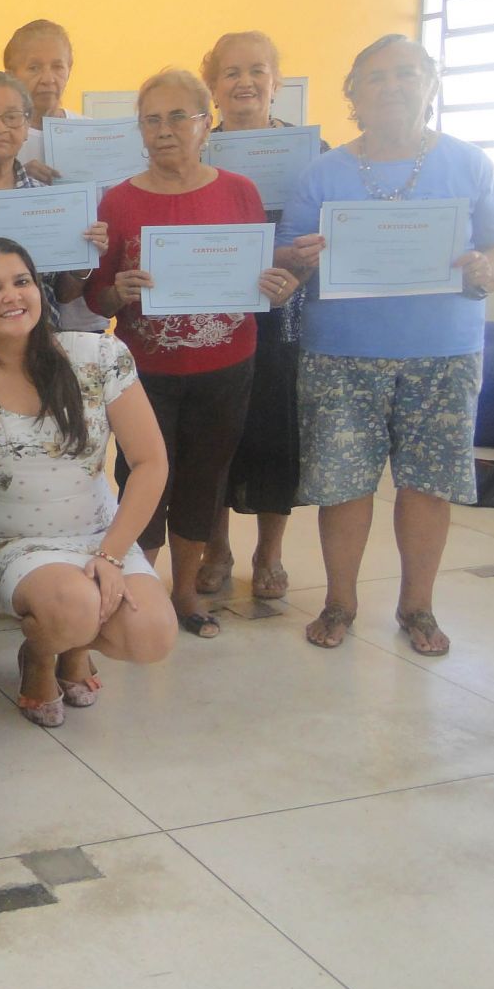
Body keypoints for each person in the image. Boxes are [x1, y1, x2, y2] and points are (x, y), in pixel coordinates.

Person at [278, 35, 494, 656]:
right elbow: (286, 256)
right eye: (376, 77)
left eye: (407, 74)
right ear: (353, 94)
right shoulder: (323, 173)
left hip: (444, 353)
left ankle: (418, 606)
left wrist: (489, 269)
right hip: (340, 354)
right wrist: (300, 258)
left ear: (430, 85)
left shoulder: (470, 163)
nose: (392, 86)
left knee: (428, 484)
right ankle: (339, 602)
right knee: (342, 485)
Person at [0, 239, 176, 726]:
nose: (12, 297)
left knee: (152, 635)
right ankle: (40, 655)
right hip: (5, 539)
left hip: (98, 532)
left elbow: (150, 462)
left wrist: (111, 554)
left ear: (39, 289)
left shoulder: (99, 355)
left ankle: (73, 648)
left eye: (22, 282)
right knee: (76, 606)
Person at [86, 69, 302, 639]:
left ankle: (185, 594)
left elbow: (256, 277)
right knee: (142, 480)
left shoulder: (240, 191)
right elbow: (96, 296)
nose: (164, 130)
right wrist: (118, 292)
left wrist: (277, 287)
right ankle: (138, 592)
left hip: (227, 365)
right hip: (144, 373)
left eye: (178, 117)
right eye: (152, 120)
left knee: (204, 481)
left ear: (206, 124)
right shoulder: (118, 200)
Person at [194, 32, 326, 602]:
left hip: (283, 314)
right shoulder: (198, 150)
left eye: (257, 70)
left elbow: (333, 230)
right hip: (214, 312)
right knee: (214, 435)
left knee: (276, 433)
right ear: (213, 85)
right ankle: (216, 549)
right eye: (231, 72)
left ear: (277, 81)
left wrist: (297, 268)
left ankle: (269, 552)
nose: (244, 82)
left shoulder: (314, 154)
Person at [0, 70, 108, 332]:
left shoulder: (48, 199)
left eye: (12, 117)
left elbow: (61, 294)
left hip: (39, 344)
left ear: (26, 128)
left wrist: (85, 258)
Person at [4, 19, 78, 183]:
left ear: (69, 70)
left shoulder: (91, 134)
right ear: (11, 76)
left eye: (57, 67)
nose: (48, 79)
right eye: (34, 68)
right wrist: (17, 179)